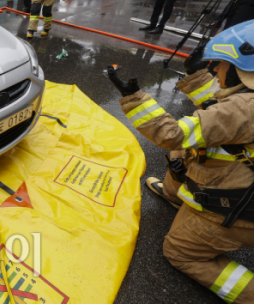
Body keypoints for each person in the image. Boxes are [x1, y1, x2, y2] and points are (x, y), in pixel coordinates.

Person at [107, 21, 254, 304]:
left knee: (179, 252)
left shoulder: (244, 108)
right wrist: (195, 76)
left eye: (222, 65)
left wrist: (133, 98)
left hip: (238, 210)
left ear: (243, 71)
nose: (215, 70)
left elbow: (171, 134)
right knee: (182, 157)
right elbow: (219, 116)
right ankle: (176, 197)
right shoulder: (244, 101)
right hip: (237, 180)